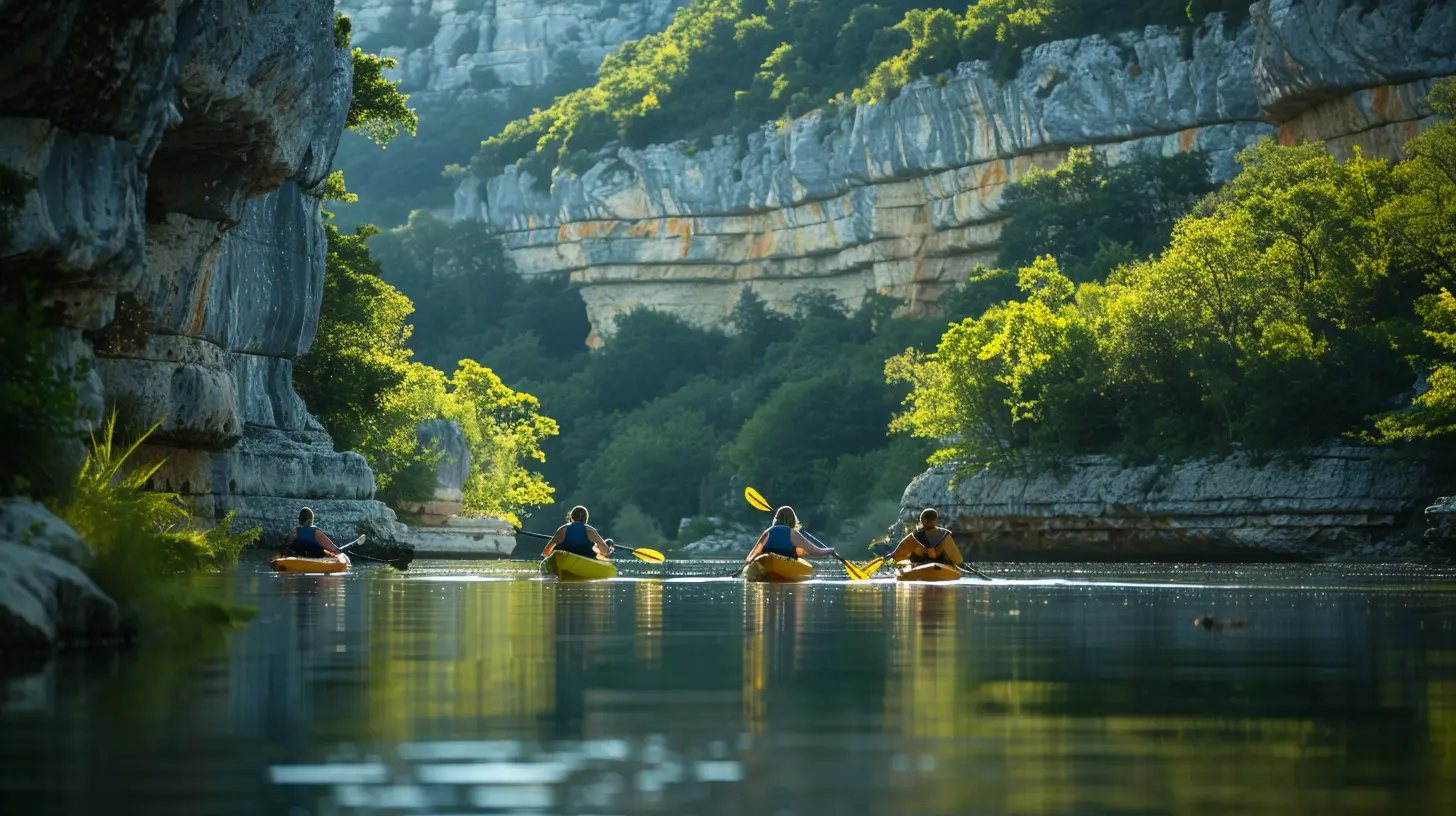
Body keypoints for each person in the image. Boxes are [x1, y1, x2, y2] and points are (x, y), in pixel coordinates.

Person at [744, 506, 837, 563]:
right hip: (787, 563)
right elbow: (815, 551)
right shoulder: (792, 533)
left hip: (766, 561)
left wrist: (746, 567)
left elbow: (752, 555)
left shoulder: (768, 531)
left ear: (776, 519)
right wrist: (830, 551)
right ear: (793, 520)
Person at [888, 508, 964, 567]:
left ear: (921, 521)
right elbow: (957, 560)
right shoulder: (915, 536)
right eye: (929, 520)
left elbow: (897, 554)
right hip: (934, 567)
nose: (929, 522)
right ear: (935, 520)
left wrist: (890, 557)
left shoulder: (914, 536)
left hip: (928, 567)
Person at [543, 506, 615, 560]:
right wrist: (607, 551)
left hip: (564, 559)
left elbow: (546, 552)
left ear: (571, 517)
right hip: (585, 559)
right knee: (594, 549)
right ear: (586, 518)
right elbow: (605, 552)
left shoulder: (563, 529)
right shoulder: (590, 530)